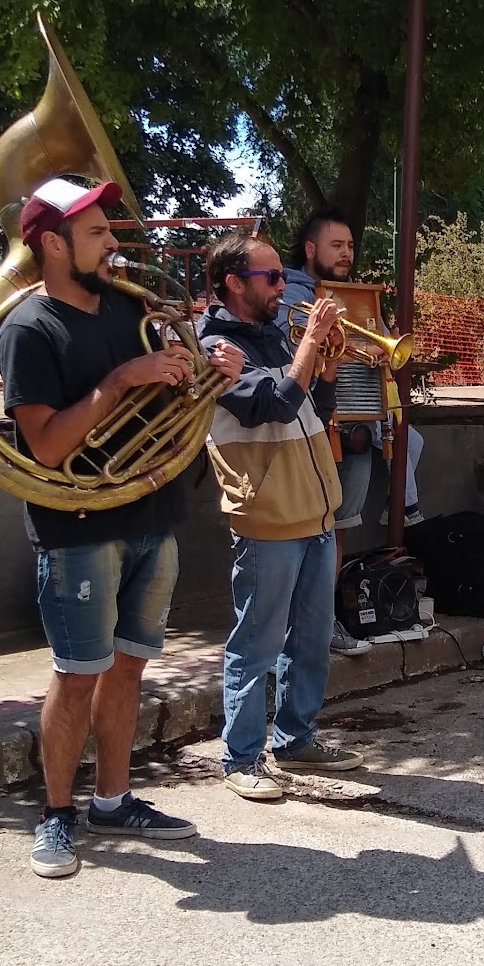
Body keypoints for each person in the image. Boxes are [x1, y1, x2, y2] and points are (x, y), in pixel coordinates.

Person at [0, 176, 243, 879]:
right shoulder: (28, 328)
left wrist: (211, 375)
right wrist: (123, 381)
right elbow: (47, 446)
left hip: (152, 514)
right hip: (77, 526)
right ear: (53, 244)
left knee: (129, 666)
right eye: (98, 232)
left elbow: (174, 396)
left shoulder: (131, 308)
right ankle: (55, 813)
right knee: (78, 674)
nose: (113, 243)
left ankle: (112, 799)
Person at [200, 232, 364, 802]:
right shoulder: (214, 347)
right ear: (233, 283)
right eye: (271, 277)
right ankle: (241, 756)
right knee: (258, 640)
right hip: (267, 512)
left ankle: (295, 738)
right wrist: (311, 342)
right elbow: (269, 406)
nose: (282, 287)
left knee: (312, 639)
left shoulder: (275, 334)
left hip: (315, 509)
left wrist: (325, 366)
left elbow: (310, 409)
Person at [280, 209, 424, 656]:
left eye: (350, 246)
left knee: (337, 531)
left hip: (357, 428)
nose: (347, 253)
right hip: (308, 431)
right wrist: (340, 349)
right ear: (311, 250)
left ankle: (322, 626)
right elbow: (288, 356)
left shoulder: (358, 299)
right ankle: (289, 634)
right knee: (299, 535)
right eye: (336, 245)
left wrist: (380, 350)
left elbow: (379, 353)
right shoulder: (289, 296)